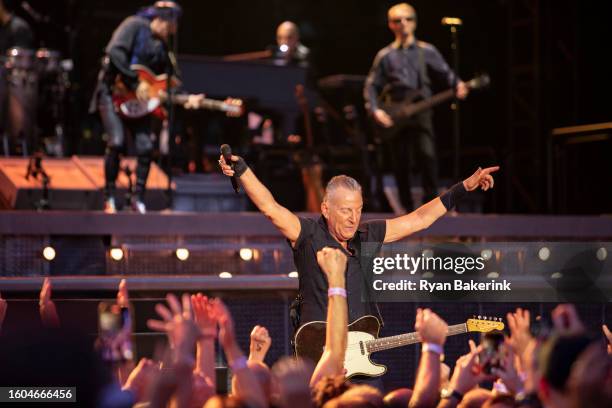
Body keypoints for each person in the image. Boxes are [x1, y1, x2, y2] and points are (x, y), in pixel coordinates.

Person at [218, 148, 498, 329]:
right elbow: (270, 208)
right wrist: (242, 169)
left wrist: (463, 188)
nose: (354, 218)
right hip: (318, 357)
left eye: (358, 210)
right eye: (345, 210)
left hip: (360, 361)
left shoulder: (367, 236)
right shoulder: (308, 235)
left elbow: (420, 219)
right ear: (326, 209)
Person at [90, 1, 199, 214]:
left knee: (145, 147)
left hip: (139, 104)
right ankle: (109, 196)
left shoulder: (162, 47)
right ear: (161, 19)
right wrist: (134, 81)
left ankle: (137, 198)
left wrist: (186, 98)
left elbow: (169, 81)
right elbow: (115, 53)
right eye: (170, 25)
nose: (170, 31)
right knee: (117, 142)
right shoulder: (134, 26)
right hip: (113, 94)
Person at [364, 2, 469, 212]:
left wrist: (458, 84)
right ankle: (407, 209)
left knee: (427, 156)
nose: (402, 24)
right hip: (396, 112)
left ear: (414, 22)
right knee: (400, 163)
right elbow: (371, 85)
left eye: (407, 19)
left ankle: (432, 207)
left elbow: (446, 72)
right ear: (390, 25)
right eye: (397, 20)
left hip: (421, 110)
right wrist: (376, 110)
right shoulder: (385, 55)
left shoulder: (426, 51)